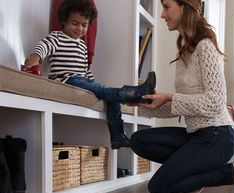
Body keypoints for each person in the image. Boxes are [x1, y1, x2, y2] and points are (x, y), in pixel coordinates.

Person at [130, 0, 234, 193]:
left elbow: (216, 102)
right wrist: (142, 104)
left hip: (218, 136)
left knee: (159, 188)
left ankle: (229, 173)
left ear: (185, 7)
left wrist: (169, 96)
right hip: (196, 134)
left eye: (167, 7)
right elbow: (181, 106)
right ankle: (192, 173)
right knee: (138, 141)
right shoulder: (185, 51)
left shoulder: (205, 46)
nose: (162, 15)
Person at [24, 0, 156, 150]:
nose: (79, 28)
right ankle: (137, 94)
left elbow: (85, 70)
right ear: (64, 21)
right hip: (66, 79)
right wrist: (36, 56)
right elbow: (44, 46)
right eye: (75, 23)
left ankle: (117, 136)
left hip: (82, 80)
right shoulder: (57, 37)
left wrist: (95, 85)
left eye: (84, 25)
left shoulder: (82, 45)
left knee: (110, 96)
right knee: (105, 91)